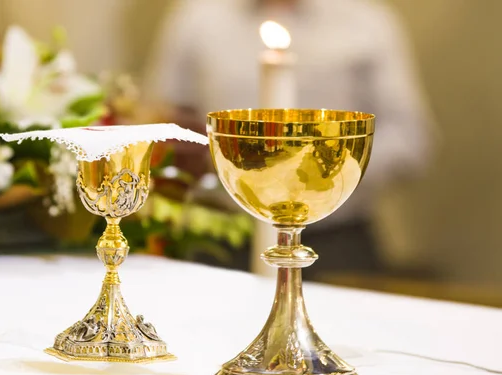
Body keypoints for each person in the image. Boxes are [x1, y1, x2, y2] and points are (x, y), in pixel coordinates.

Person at [144, 0, 434, 279]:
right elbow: (168, 115)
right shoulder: (199, 15)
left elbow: (409, 138)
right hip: (225, 236)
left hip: (335, 239)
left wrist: (316, 177)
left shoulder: (366, 20)